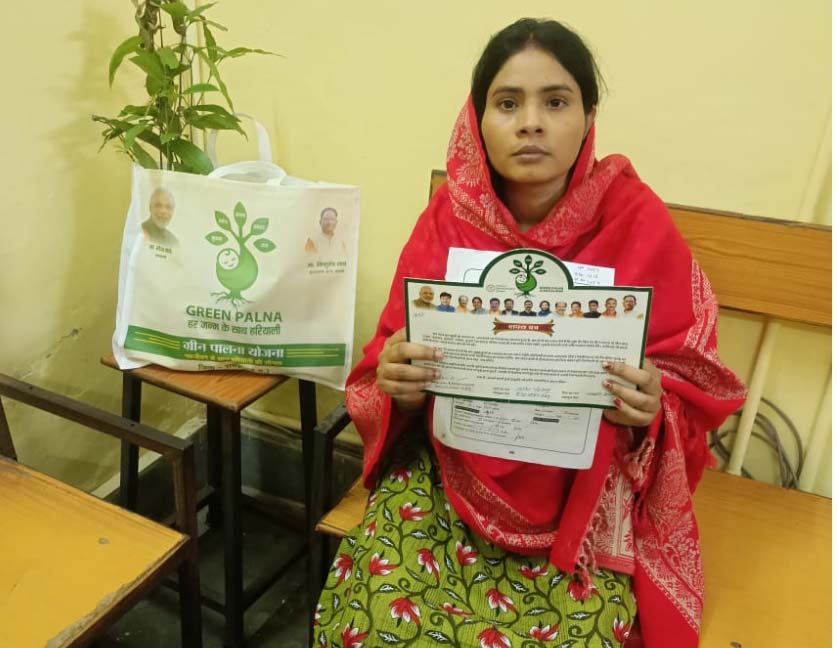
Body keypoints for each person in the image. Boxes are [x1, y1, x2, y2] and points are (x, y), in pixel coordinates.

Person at [316, 18, 745, 648]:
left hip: (584, 498)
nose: (531, 123)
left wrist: (652, 408)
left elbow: (695, 381)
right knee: (382, 619)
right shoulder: (448, 217)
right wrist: (396, 381)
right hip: (447, 479)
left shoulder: (637, 221)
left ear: (588, 116)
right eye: (508, 103)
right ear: (478, 118)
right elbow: (382, 364)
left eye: (556, 102)